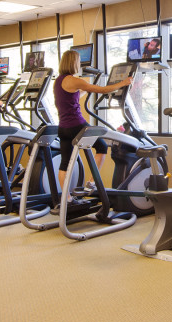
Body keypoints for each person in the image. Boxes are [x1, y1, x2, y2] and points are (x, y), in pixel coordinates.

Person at [53, 49, 132, 213]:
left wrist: (85, 89)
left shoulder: (59, 81)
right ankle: (91, 182)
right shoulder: (74, 80)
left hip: (63, 128)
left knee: (65, 163)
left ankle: (67, 198)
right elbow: (103, 90)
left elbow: (73, 95)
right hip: (78, 126)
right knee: (102, 147)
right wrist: (122, 83)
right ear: (74, 62)